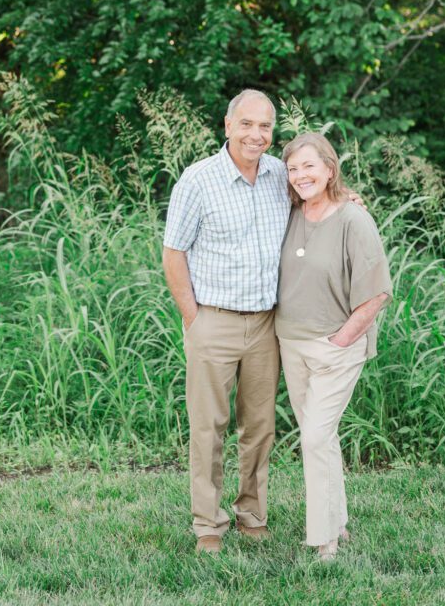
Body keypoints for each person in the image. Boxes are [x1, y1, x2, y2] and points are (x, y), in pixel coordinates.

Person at [162, 89, 288, 554]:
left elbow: (321, 190)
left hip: (266, 325)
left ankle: (252, 513)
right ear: (228, 125)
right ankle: (208, 524)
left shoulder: (281, 175)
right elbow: (173, 253)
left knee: (259, 426)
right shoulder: (198, 180)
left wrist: (346, 194)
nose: (257, 134)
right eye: (248, 124)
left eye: (266, 127)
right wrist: (193, 319)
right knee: (208, 426)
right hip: (212, 320)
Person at [275, 132, 392, 561]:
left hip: (335, 347)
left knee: (315, 437)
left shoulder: (353, 219)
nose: (300, 175)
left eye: (309, 166)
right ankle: (338, 524)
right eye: (292, 168)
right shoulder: (288, 211)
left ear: (329, 167)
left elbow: (377, 293)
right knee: (320, 438)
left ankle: (324, 540)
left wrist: (342, 339)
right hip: (291, 344)